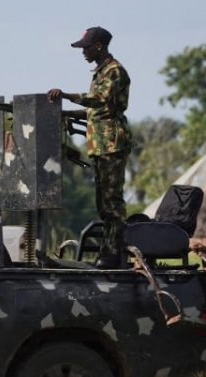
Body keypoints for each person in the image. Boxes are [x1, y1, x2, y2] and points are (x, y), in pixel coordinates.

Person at [47, 26, 131, 268]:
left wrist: (66, 95)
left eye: (85, 47)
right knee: (104, 203)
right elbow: (94, 109)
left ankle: (113, 254)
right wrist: (64, 113)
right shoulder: (101, 72)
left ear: (98, 46)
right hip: (101, 145)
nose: (83, 52)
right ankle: (109, 251)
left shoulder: (114, 71)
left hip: (112, 144)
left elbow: (101, 101)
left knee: (112, 203)